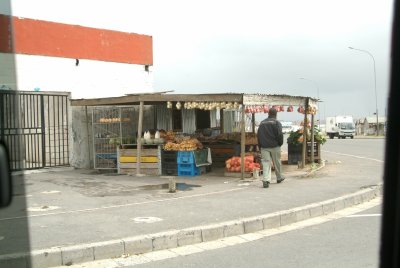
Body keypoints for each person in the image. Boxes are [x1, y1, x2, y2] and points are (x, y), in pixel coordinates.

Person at [257, 107, 285, 188]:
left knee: (266, 163)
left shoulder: (262, 123)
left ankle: (266, 180)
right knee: (277, 162)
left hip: (264, 147)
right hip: (275, 146)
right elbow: (280, 135)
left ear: (268, 114)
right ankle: (279, 177)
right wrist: (280, 144)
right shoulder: (277, 123)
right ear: (276, 114)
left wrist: (260, 146)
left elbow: (258, 136)